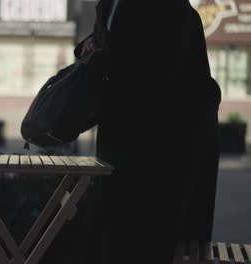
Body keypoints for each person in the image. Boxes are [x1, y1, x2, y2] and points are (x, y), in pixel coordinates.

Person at [75, 0, 222, 263]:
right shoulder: (110, 5)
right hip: (121, 138)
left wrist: (107, 63)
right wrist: (89, 47)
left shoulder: (171, 9)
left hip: (163, 145)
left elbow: (157, 67)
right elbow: (110, 38)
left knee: (152, 236)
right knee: (114, 230)